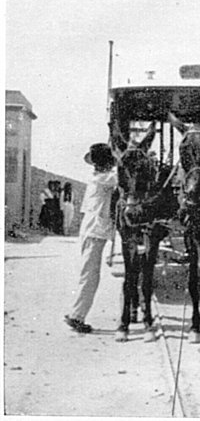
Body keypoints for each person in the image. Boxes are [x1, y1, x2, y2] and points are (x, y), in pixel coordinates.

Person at [64, 143, 117, 333]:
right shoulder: (104, 179)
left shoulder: (99, 178)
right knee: (90, 276)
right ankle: (76, 316)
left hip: (92, 231)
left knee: (89, 274)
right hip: (94, 231)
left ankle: (76, 313)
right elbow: (122, 175)